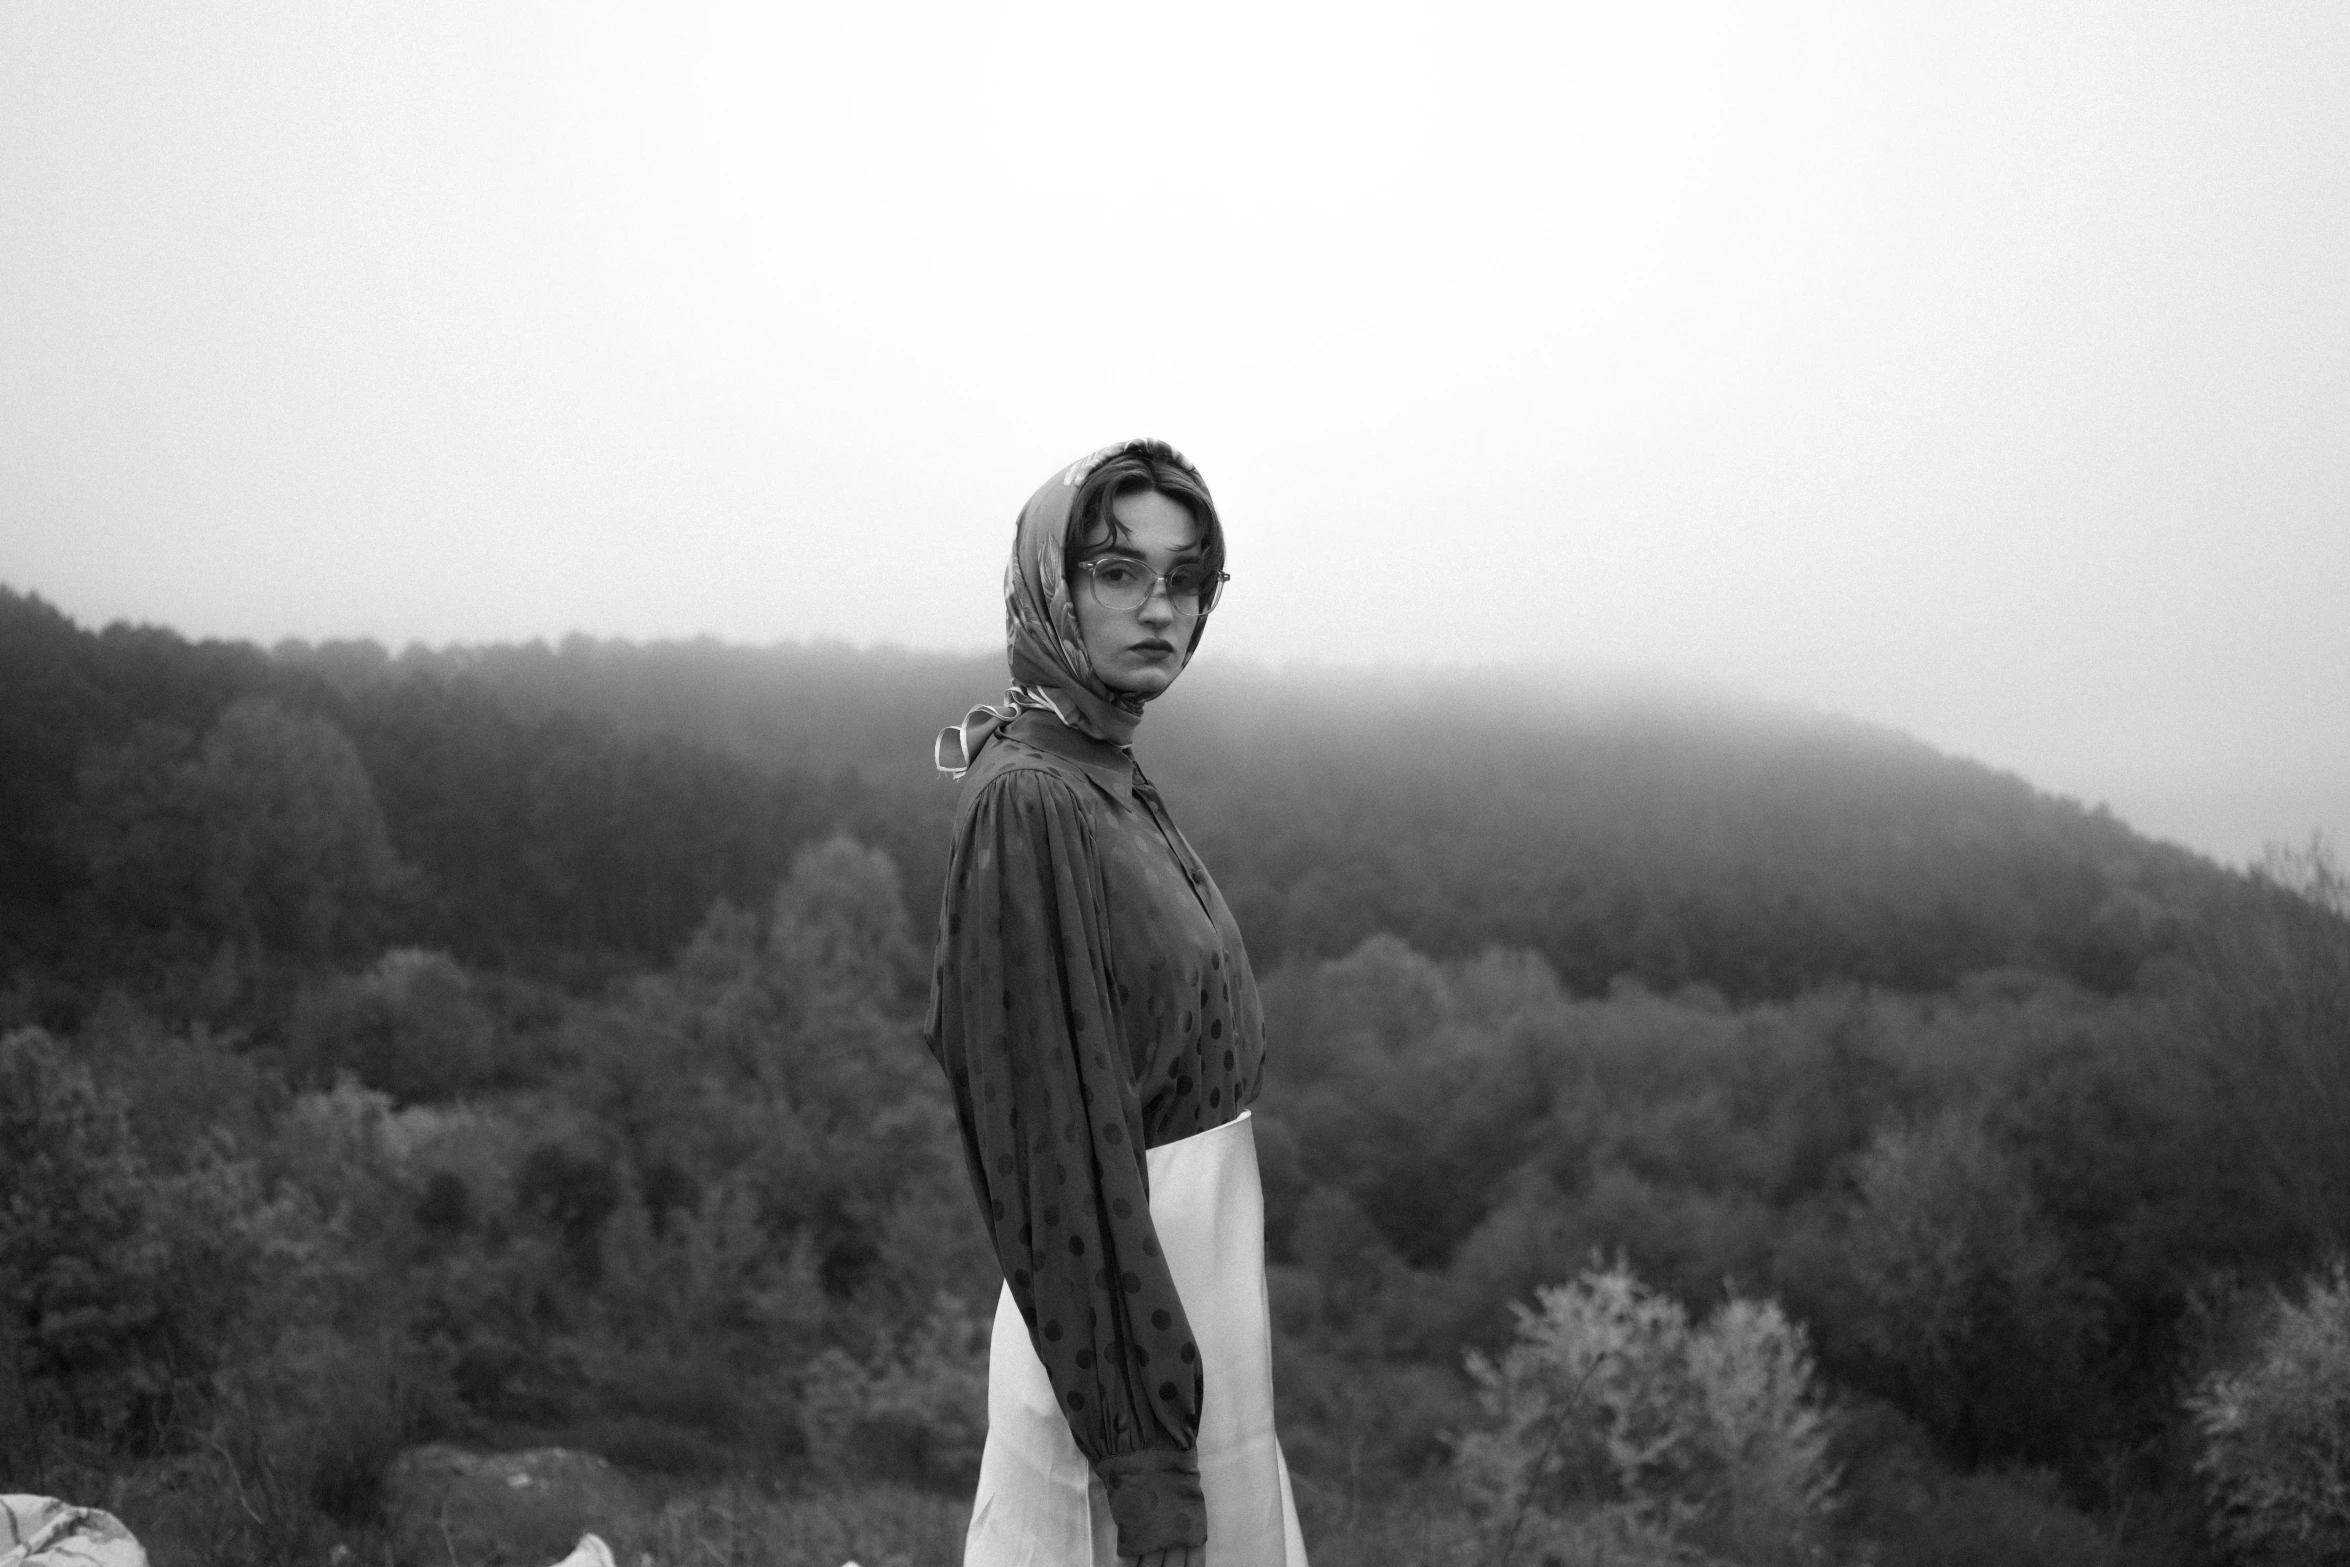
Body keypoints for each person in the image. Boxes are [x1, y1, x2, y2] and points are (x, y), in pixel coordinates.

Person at [926, 439, 1309, 1567]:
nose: (1161, 608)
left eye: (1185, 579)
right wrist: (1141, 1454)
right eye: (1116, 571)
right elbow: (1054, 1148)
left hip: (1194, 1311)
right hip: (1125, 1336)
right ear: (1050, 583)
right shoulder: (1033, 800)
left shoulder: (1103, 770)